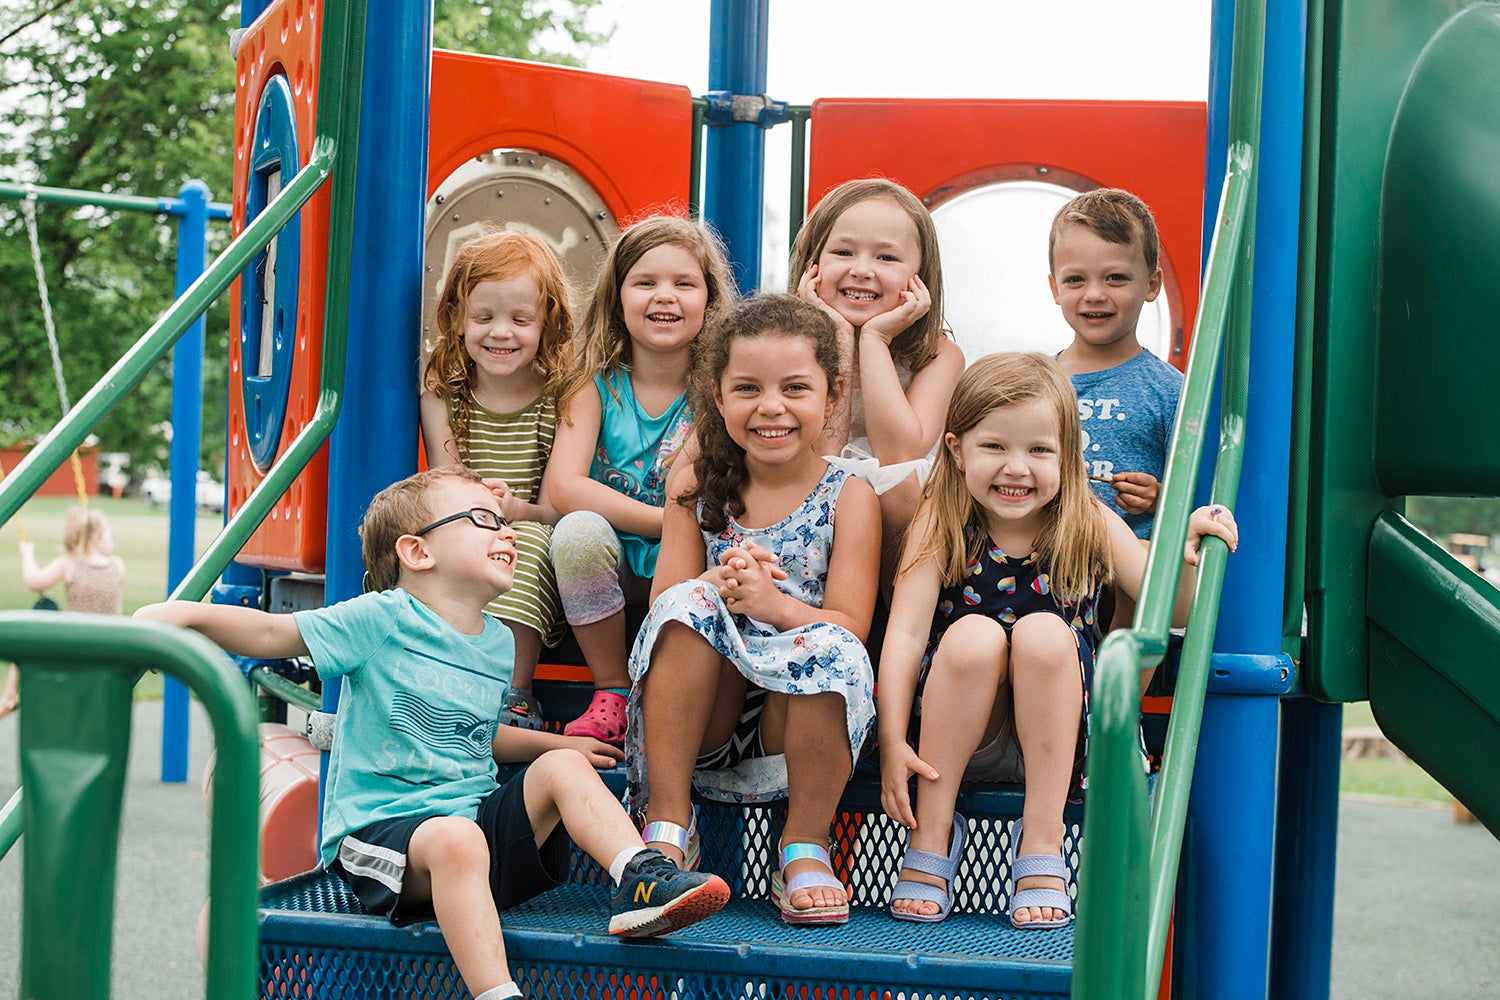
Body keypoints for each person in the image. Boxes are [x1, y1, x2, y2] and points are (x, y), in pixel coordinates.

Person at [136, 467, 730, 1000]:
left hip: (467, 832)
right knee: (456, 840)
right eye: (482, 520)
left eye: (505, 522)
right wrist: (182, 617)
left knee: (558, 773)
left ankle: (638, 880)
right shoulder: (381, 617)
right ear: (417, 552)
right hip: (380, 842)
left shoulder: (496, 641)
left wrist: (558, 747)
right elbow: (272, 634)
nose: (507, 533)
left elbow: (477, 735)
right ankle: (497, 994)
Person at [876, 353, 1237, 929]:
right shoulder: (940, 519)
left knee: (1045, 633)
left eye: (1040, 451)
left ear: (1068, 459)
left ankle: (1042, 839)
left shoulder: (1085, 517)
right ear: (955, 449)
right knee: (972, 635)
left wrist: (1187, 545)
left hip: (1062, 741)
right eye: (995, 446)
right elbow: (906, 634)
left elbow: (1171, 604)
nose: (1017, 468)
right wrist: (894, 739)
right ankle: (932, 830)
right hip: (967, 731)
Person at [625, 295, 881, 927]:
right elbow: (666, 606)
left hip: (788, 729)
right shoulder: (693, 488)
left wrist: (773, 605)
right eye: (748, 388)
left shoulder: (849, 496)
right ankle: (669, 822)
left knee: (830, 645)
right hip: (703, 716)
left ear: (831, 394)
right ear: (717, 396)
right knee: (686, 604)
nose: (771, 407)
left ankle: (803, 844)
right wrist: (719, 584)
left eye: (795, 387)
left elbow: (851, 624)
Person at [545, 215, 736, 746]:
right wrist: (667, 521)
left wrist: (681, 532)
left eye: (684, 283)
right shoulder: (593, 384)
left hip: (688, 562)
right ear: (618, 297)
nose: (664, 297)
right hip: (613, 559)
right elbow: (565, 487)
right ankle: (611, 689)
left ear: (710, 298)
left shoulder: (721, 392)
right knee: (577, 530)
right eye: (645, 282)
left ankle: (682, 698)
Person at [421, 228, 574, 732]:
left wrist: (513, 512)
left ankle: (514, 691)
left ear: (546, 323)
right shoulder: (443, 395)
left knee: (522, 542)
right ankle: (444, 677)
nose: (500, 332)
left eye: (520, 319)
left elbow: (555, 506)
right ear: (458, 321)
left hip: (531, 526)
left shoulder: (560, 398)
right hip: (459, 520)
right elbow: (445, 482)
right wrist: (475, 509)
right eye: (483, 317)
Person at [790, 177, 966, 583]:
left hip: (903, 522)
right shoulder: (787, 347)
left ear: (920, 276)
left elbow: (899, 453)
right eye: (842, 252)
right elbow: (822, 451)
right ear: (811, 266)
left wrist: (874, 338)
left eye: (886, 258)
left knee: (898, 484)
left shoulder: (938, 355)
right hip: (807, 498)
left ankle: (895, 629)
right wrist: (836, 336)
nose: (861, 270)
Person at [1049, 187, 1180, 542]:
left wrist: (1158, 499)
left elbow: (1199, 499)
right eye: (1076, 279)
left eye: (1115, 278)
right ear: (1055, 288)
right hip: (1042, 564)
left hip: (1126, 566)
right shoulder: (1036, 382)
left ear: (1152, 284)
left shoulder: (1170, 392)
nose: (1094, 294)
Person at [9, 506, 127, 717]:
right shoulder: (118, 565)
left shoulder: (69, 563)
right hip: (111, 647)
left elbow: (34, 581)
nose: (113, 540)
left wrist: (27, 554)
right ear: (97, 537)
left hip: (77, 645)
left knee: (28, 638)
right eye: (110, 535)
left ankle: (10, 694)